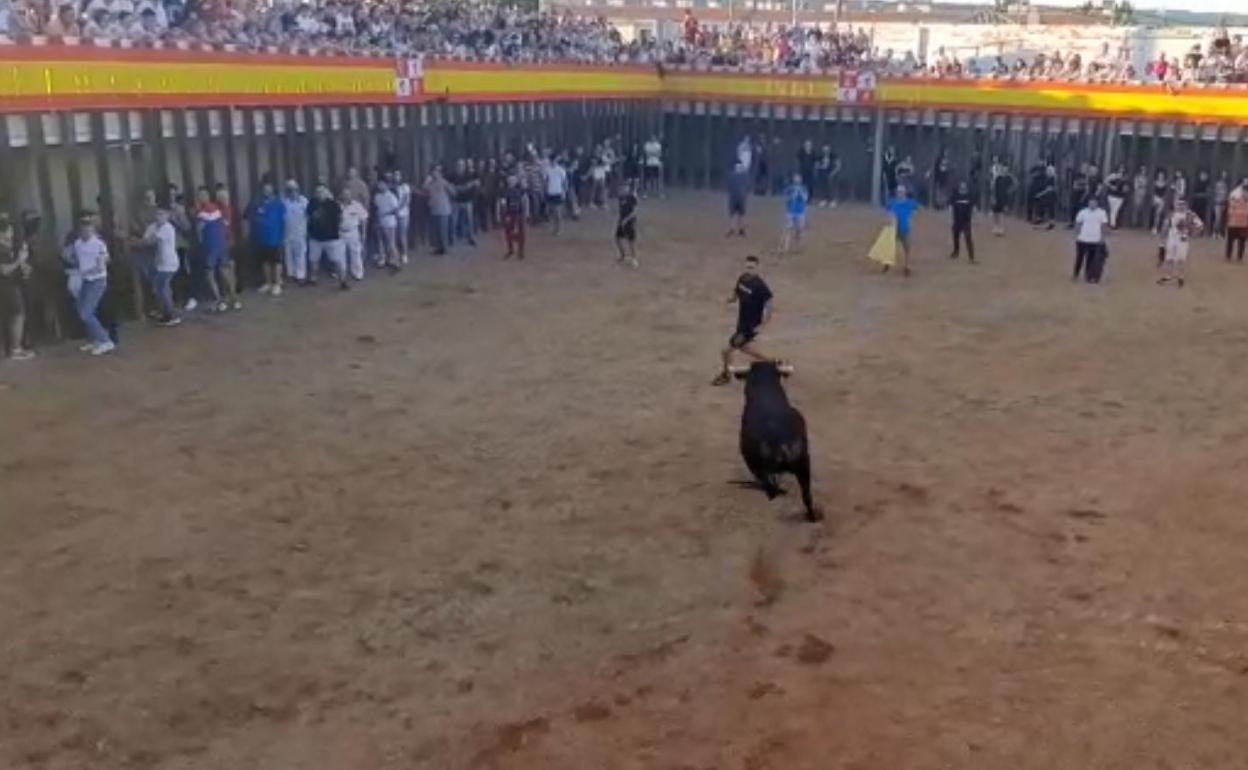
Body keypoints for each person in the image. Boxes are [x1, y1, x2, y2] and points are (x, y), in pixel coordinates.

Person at [712, 255, 774, 387]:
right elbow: (736, 292)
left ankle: (726, 375)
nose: (749, 270)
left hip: (749, 327)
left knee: (726, 351)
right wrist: (731, 299)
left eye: (752, 267)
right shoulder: (742, 279)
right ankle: (771, 363)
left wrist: (762, 325)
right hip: (741, 323)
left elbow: (769, 306)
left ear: (757, 268)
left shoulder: (761, 286)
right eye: (747, 267)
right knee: (745, 348)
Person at [68, 212, 114, 355]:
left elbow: (102, 265)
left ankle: (105, 341)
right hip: (85, 281)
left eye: (88, 228)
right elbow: (76, 260)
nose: (85, 231)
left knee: (86, 313)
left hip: (97, 281)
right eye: (83, 228)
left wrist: (85, 272)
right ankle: (95, 339)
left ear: (92, 229)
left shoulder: (99, 244)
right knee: (83, 309)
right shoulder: (78, 244)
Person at [194, 186, 234, 312]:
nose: (202, 197)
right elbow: (225, 224)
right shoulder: (219, 208)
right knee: (224, 270)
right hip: (221, 243)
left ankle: (219, 300)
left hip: (210, 245)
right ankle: (233, 299)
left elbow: (199, 231)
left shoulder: (200, 212)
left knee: (210, 273)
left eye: (202, 195)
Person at [0, 214, 35, 361]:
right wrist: (19, 260)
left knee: (16, 315)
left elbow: (21, 268)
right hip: (5, 286)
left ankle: (13, 347)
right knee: (17, 315)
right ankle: (15, 349)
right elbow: (4, 270)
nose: (10, 233)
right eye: (8, 230)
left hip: (14, 284)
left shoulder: (10, 247)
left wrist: (24, 264)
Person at [142, 208, 181, 326]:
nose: (159, 216)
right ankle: (165, 311)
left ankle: (171, 315)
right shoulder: (154, 226)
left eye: (162, 214)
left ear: (167, 216)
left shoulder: (167, 228)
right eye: (157, 214)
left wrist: (135, 241)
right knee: (163, 288)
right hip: (159, 263)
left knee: (161, 288)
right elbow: (146, 238)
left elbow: (150, 241)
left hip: (169, 264)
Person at [307, 183, 347, 290]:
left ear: (326, 192)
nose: (320, 194)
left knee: (337, 260)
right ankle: (313, 279)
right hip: (315, 238)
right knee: (313, 260)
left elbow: (341, 218)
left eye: (322, 191)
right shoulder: (312, 203)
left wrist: (338, 229)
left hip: (331, 238)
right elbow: (308, 217)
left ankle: (342, 281)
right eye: (317, 192)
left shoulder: (333, 204)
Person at [249, 182, 285, 296]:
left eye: (269, 189)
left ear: (273, 190)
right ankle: (268, 283)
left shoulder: (278, 203)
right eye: (265, 189)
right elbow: (250, 216)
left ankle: (277, 284)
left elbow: (284, 220)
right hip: (262, 238)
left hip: (275, 238)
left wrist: (282, 236)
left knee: (276, 262)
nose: (267, 191)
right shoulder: (257, 203)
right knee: (265, 262)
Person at [1158, 198, 1202, 288]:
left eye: (1182, 204)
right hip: (1172, 238)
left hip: (1183, 239)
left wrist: (1194, 234)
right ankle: (1168, 276)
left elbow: (1200, 225)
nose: (1180, 206)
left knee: (1181, 259)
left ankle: (1180, 277)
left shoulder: (1190, 215)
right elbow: (1165, 226)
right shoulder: (1171, 214)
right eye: (1178, 204)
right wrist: (1162, 239)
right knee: (1169, 258)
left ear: (1186, 205)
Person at [1073, 196, 1109, 283]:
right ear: (1088, 203)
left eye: (1094, 202)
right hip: (1082, 239)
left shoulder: (1102, 213)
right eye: (1090, 202)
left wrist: (1102, 237)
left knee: (1091, 258)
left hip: (1095, 240)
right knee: (1079, 258)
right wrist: (1077, 234)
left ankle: (1088, 275)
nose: (1092, 204)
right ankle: (1076, 273)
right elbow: (1078, 223)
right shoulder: (1083, 212)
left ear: (1097, 203)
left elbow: (1103, 226)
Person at [885, 184, 918, 276]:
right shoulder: (892, 202)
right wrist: (889, 217)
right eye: (898, 192)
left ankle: (907, 266)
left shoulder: (910, 202)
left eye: (901, 192)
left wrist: (911, 217)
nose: (900, 193)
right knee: (889, 247)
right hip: (893, 229)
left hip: (905, 228)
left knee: (907, 248)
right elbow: (888, 212)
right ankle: (887, 264)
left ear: (905, 193)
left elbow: (915, 210)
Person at [281, 180, 309, 285]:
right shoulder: (283, 202)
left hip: (300, 233)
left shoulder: (303, 201)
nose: (292, 192)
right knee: (288, 255)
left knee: (300, 254)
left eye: (294, 190)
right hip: (287, 233)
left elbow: (308, 216)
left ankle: (300, 275)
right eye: (290, 190)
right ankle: (290, 275)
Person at [423, 166, 454, 255]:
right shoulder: (431, 183)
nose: (434, 173)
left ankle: (444, 248)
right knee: (437, 231)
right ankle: (439, 247)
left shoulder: (444, 182)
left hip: (443, 210)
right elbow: (425, 188)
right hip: (434, 210)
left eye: (436, 172)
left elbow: (452, 192)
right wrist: (427, 180)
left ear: (440, 173)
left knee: (443, 230)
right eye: (433, 172)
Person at [339, 188, 368, 281]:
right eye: (344, 194)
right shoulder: (337, 205)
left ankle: (358, 273)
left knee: (355, 253)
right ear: (341, 195)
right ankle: (342, 273)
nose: (346, 196)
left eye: (348, 194)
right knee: (340, 255)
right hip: (340, 233)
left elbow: (364, 219)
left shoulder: (356, 205)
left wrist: (363, 233)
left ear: (350, 195)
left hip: (353, 232)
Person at [498, 173, 529, 261]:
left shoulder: (521, 190)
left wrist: (527, 212)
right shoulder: (504, 191)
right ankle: (511, 249)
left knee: (521, 232)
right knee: (508, 232)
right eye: (510, 180)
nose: (511, 181)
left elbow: (525, 200)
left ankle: (521, 251)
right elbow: (502, 204)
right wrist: (504, 215)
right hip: (510, 214)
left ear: (516, 181)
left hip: (519, 213)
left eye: (513, 180)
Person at [372, 178, 401, 273]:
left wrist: (385, 213)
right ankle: (382, 259)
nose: (380, 186)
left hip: (389, 223)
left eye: (382, 184)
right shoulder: (377, 196)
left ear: (386, 185)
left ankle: (396, 261)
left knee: (391, 243)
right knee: (380, 242)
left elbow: (396, 210)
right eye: (379, 184)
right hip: (380, 222)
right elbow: (376, 208)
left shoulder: (391, 197)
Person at [780, 173, 808, 256]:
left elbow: (805, 199)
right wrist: (792, 196)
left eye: (798, 179)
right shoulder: (789, 189)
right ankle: (786, 247)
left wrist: (800, 193)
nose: (797, 180)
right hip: (790, 212)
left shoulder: (803, 189)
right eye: (795, 178)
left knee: (799, 230)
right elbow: (785, 198)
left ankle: (797, 247)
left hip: (800, 212)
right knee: (788, 229)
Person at [615, 179, 639, 268]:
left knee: (631, 241)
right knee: (617, 238)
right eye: (622, 188)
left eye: (625, 187)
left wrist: (626, 220)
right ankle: (623, 255)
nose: (623, 189)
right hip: (622, 220)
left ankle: (634, 259)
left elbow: (634, 212)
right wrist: (621, 220)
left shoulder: (631, 197)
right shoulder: (621, 198)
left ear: (628, 189)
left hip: (630, 221)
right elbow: (621, 210)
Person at [949, 181, 975, 263]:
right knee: (955, 237)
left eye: (964, 186)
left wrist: (973, 219)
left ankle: (971, 257)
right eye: (961, 186)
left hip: (966, 221)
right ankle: (956, 252)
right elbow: (950, 207)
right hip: (956, 220)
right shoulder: (955, 196)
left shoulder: (969, 196)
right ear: (959, 187)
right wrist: (950, 219)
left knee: (968, 239)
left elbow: (973, 208)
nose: (963, 188)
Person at [545, 155, 570, 236]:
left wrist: (564, 192)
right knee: (551, 212)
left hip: (558, 192)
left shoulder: (560, 170)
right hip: (550, 193)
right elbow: (546, 181)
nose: (552, 162)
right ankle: (554, 228)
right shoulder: (547, 170)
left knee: (557, 212)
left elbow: (565, 182)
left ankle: (558, 229)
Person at [990, 159, 1014, 236]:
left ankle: (1001, 228)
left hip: (1004, 198)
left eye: (1006, 168)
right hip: (997, 197)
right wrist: (992, 197)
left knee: (1002, 213)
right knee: (995, 213)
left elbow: (1016, 184)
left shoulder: (1009, 177)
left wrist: (1010, 190)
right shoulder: (998, 178)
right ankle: (995, 226)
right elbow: (993, 188)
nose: (1005, 169)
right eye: (1003, 168)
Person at [726, 160, 750, 238]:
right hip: (742, 197)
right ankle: (741, 230)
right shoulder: (745, 176)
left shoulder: (732, 176)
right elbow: (747, 186)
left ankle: (732, 229)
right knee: (741, 214)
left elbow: (728, 186)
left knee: (732, 214)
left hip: (733, 197)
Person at [1226, 181, 1248, 263]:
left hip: (1244, 222)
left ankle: (1239, 257)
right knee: (1230, 240)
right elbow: (1231, 207)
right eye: (1245, 187)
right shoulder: (1234, 194)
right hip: (1234, 222)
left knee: (1242, 240)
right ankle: (1228, 256)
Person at [394, 170, 412, 264]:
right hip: (394, 215)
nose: (396, 176)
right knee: (395, 236)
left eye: (398, 175)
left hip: (403, 214)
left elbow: (406, 199)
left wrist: (398, 208)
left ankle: (404, 254)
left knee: (402, 235)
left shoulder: (405, 187)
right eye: (395, 175)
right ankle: (396, 255)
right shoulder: (392, 187)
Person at [1105, 165, 1127, 229]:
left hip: (1120, 196)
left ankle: (1113, 223)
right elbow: (1106, 181)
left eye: (1123, 168)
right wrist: (1111, 186)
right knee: (1113, 210)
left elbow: (1126, 186)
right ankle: (1113, 224)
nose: (1122, 169)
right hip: (1112, 195)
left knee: (1116, 210)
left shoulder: (1124, 177)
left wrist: (1125, 189)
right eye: (1121, 168)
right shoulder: (1113, 175)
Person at [1212, 170, 1230, 238]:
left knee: (1221, 219)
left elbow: (1226, 193)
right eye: (1223, 174)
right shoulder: (1218, 184)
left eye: (1225, 174)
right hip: (1217, 203)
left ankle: (1219, 233)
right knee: (1217, 218)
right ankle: (1214, 232)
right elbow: (1216, 192)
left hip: (1223, 203)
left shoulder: (1226, 184)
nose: (1224, 176)